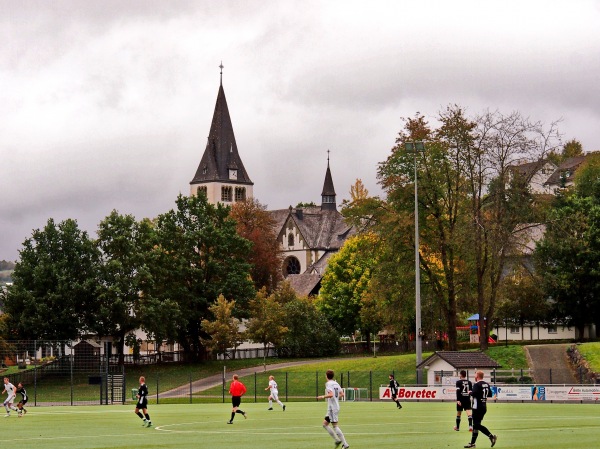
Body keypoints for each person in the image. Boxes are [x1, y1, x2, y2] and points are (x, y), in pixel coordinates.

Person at [464, 371, 497, 448]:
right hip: (483, 407)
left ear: (478, 376)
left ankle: (491, 436)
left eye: (475, 375)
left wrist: (470, 392)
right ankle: (472, 444)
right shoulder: (486, 384)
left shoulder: (477, 384)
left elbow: (474, 394)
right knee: (475, 426)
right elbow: (489, 394)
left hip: (477, 407)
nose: (475, 377)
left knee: (477, 425)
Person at [318, 369, 349, 449]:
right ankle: (337, 440)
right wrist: (335, 397)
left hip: (332, 408)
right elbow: (342, 394)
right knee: (325, 424)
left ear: (326, 376)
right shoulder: (336, 383)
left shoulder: (328, 383)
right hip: (335, 406)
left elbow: (331, 394)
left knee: (335, 426)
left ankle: (345, 444)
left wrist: (322, 396)